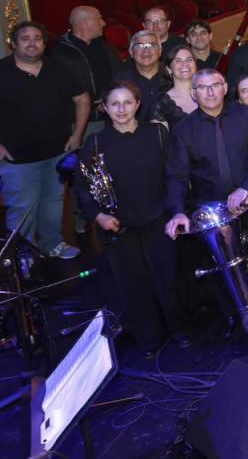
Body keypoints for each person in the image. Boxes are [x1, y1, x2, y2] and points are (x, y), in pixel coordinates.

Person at [0, 22, 90, 259]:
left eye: (37, 38)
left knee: (53, 202)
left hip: (57, 154)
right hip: (16, 160)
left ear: (44, 43)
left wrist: (77, 134)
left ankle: (52, 244)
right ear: (13, 44)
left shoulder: (60, 69)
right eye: (25, 38)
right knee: (22, 209)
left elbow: (83, 99)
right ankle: (22, 255)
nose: (32, 43)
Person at [75, 82, 186, 354]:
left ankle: (179, 329)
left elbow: (174, 174)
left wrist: (176, 210)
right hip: (118, 226)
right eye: (114, 104)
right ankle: (149, 339)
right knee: (133, 285)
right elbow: (82, 187)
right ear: (105, 108)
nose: (121, 109)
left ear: (138, 105)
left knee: (168, 279)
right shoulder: (95, 143)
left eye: (127, 102)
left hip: (158, 217)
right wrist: (98, 215)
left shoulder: (157, 133)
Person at [164, 69, 248, 235]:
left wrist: (246, 188)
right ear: (193, 94)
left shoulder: (246, 115)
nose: (210, 92)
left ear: (225, 88)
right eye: (202, 87)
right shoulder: (183, 130)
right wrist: (178, 212)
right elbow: (177, 176)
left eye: (215, 85)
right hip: (212, 216)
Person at [52, 5, 121, 118]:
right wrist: (94, 103)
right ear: (85, 23)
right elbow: (59, 87)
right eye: (99, 19)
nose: (103, 23)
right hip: (80, 118)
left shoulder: (106, 46)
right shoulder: (59, 52)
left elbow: (120, 74)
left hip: (113, 113)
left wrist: (111, 98)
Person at [114, 31, 170, 120]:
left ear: (160, 51)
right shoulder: (121, 80)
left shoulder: (172, 75)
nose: (146, 50)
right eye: (140, 46)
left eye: (152, 45)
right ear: (131, 52)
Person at [152, 45, 199, 129]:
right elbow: (160, 137)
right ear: (169, 69)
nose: (185, 64)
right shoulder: (161, 104)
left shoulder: (210, 94)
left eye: (189, 59)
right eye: (178, 60)